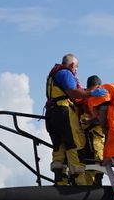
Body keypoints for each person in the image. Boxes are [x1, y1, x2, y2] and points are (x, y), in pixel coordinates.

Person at [44, 53, 108, 185]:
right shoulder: (66, 73)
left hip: (51, 114)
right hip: (63, 112)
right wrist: (90, 93)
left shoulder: (53, 76)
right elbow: (73, 92)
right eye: (76, 68)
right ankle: (79, 181)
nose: (76, 71)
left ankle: (60, 179)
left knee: (59, 145)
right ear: (73, 65)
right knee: (74, 144)